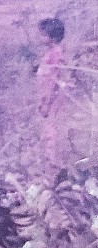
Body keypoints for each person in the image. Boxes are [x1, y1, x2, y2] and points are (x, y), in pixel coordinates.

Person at [36, 17, 70, 170]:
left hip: (52, 96)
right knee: (49, 126)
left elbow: (54, 78)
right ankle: (51, 159)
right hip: (49, 95)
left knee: (51, 127)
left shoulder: (56, 54)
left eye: (43, 35)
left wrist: (46, 101)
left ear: (53, 37)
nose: (40, 37)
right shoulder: (52, 52)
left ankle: (52, 161)